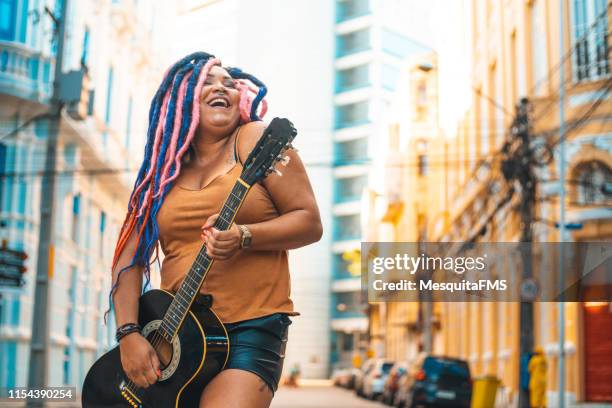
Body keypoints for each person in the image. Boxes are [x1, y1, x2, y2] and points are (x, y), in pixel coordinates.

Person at [109, 52, 322, 408]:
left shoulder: (256, 139)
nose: (221, 87)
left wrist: (245, 237)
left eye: (228, 83)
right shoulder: (160, 175)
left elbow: (309, 221)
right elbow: (128, 262)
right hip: (175, 337)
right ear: (179, 100)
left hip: (250, 329)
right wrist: (128, 333)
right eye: (206, 82)